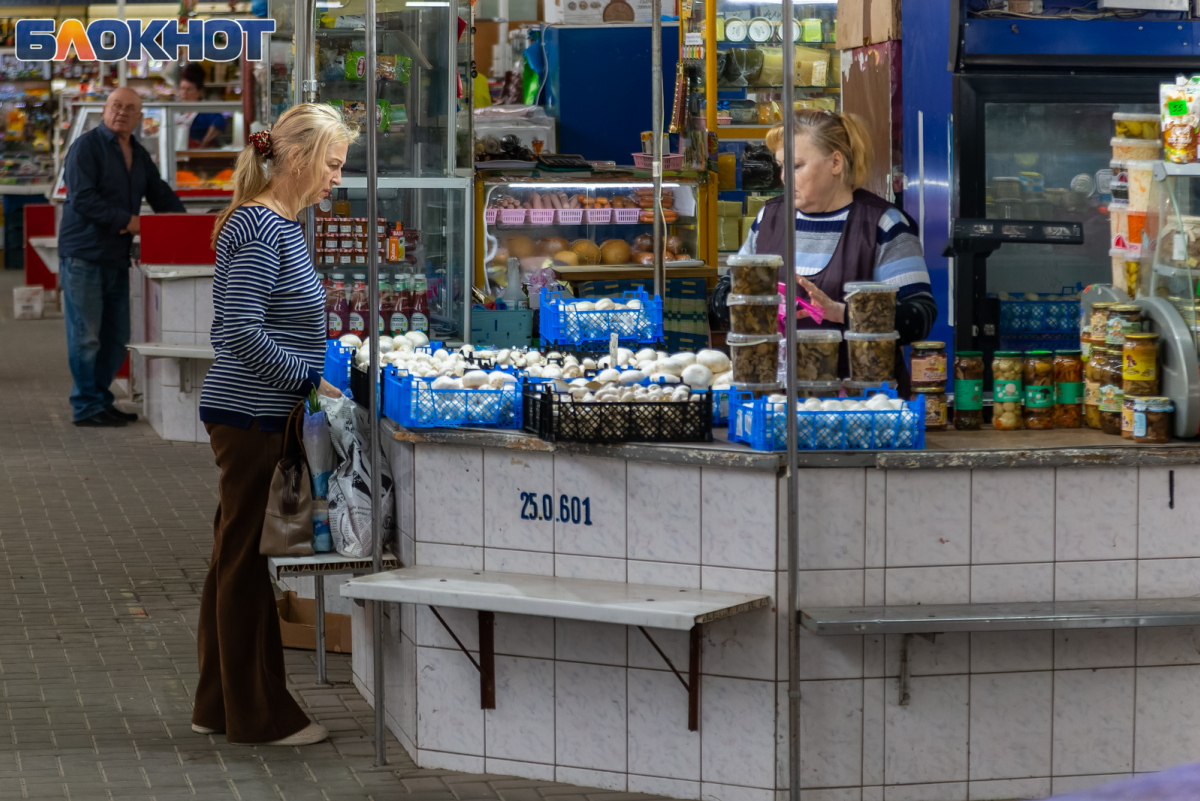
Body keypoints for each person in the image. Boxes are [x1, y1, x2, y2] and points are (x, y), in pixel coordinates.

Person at [194, 103, 356, 747]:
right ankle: (259, 718)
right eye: (332, 165)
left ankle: (219, 705)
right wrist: (307, 379)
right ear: (296, 158)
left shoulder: (280, 223)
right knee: (242, 564)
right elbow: (237, 328)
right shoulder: (263, 228)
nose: (335, 179)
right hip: (253, 415)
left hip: (259, 411)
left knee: (231, 558)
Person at [738, 109, 938, 390]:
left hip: (864, 405)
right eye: (782, 167)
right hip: (776, 400)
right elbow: (728, 293)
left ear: (835, 163)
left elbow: (920, 316)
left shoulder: (883, 224)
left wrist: (842, 312)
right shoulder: (768, 219)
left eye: (795, 166)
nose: (784, 178)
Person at [59, 87, 186, 427]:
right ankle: (86, 405)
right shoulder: (86, 147)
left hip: (116, 256)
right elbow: (82, 198)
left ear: (139, 117)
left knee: (115, 337)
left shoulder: (138, 153)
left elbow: (159, 192)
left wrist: (186, 224)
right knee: (86, 335)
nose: (121, 112)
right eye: (116, 105)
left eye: (130, 108)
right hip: (83, 255)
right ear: (105, 109)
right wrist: (129, 222)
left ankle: (101, 399)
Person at [176, 63, 226, 149]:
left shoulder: (203, 110)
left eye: (189, 89)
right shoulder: (176, 110)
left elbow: (219, 121)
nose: (184, 93)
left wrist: (204, 144)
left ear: (200, 92)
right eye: (182, 88)